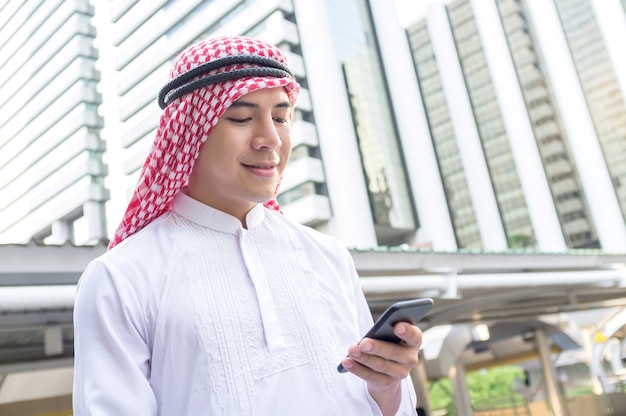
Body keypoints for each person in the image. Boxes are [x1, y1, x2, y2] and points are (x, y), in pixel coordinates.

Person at [72, 35, 423, 416]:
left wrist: (386, 387)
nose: (270, 139)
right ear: (191, 131)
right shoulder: (121, 278)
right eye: (242, 117)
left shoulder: (328, 256)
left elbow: (389, 408)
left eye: (280, 118)